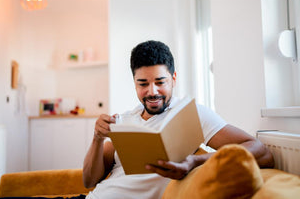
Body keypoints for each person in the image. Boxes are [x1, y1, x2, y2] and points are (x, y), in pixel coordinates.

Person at [82, 40, 274, 199]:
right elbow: (89, 181)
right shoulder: (124, 120)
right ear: (134, 83)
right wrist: (97, 138)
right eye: (143, 84)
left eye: (160, 82)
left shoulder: (191, 115)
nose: (152, 92)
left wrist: (194, 162)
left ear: (173, 78)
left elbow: (262, 153)